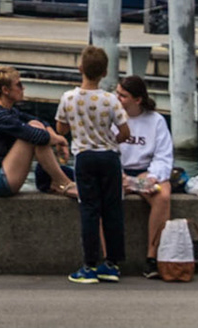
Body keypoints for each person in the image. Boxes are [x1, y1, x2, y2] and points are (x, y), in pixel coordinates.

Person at [55, 46, 129, 284]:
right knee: (112, 210)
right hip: (109, 157)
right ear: (105, 72)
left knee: (89, 210)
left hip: (84, 157)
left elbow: (60, 129)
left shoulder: (69, 98)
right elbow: (125, 132)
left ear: (80, 69)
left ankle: (89, 265)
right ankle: (111, 264)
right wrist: (110, 140)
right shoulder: (111, 100)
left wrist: (77, 129)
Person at [0, 64, 74, 199]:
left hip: (1, 176)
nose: (23, 88)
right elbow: (39, 137)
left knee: (35, 125)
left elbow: (39, 121)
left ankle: (55, 180)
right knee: (34, 133)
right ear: (5, 90)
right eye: (19, 85)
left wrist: (54, 136)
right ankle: (63, 182)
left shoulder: (7, 111)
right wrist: (61, 140)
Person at [114, 74, 175, 277]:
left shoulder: (156, 121)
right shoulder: (110, 117)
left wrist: (152, 177)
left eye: (123, 96)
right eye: (117, 94)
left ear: (137, 100)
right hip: (117, 171)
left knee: (163, 197)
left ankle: (152, 257)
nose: (117, 99)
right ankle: (110, 258)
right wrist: (118, 174)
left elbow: (164, 156)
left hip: (145, 172)